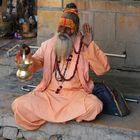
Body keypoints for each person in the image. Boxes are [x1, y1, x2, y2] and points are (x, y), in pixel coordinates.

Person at [12, 2, 110, 130]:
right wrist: (27, 57)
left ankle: (48, 115)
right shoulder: (49, 44)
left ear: (75, 29)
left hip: (75, 96)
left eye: (68, 28)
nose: (63, 31)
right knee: (18, 105)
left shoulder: (84, 46)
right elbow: (36, 62)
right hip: (49, 96)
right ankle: (64, 116)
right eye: (61, 27)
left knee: (95, 105)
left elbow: (102, 69)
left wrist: (90, 45)